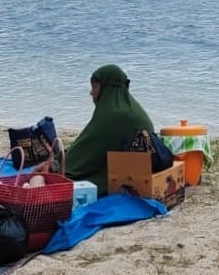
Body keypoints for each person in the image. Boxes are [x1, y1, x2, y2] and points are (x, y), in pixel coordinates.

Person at [62, 65, 157, 196]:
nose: (91, 92)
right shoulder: (131, 108)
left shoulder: (113, 114)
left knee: (65, 180)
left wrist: (55, 164)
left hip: (129, 174)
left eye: (94, 86)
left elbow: (84, 152)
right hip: (142, 167)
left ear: (107, 89)